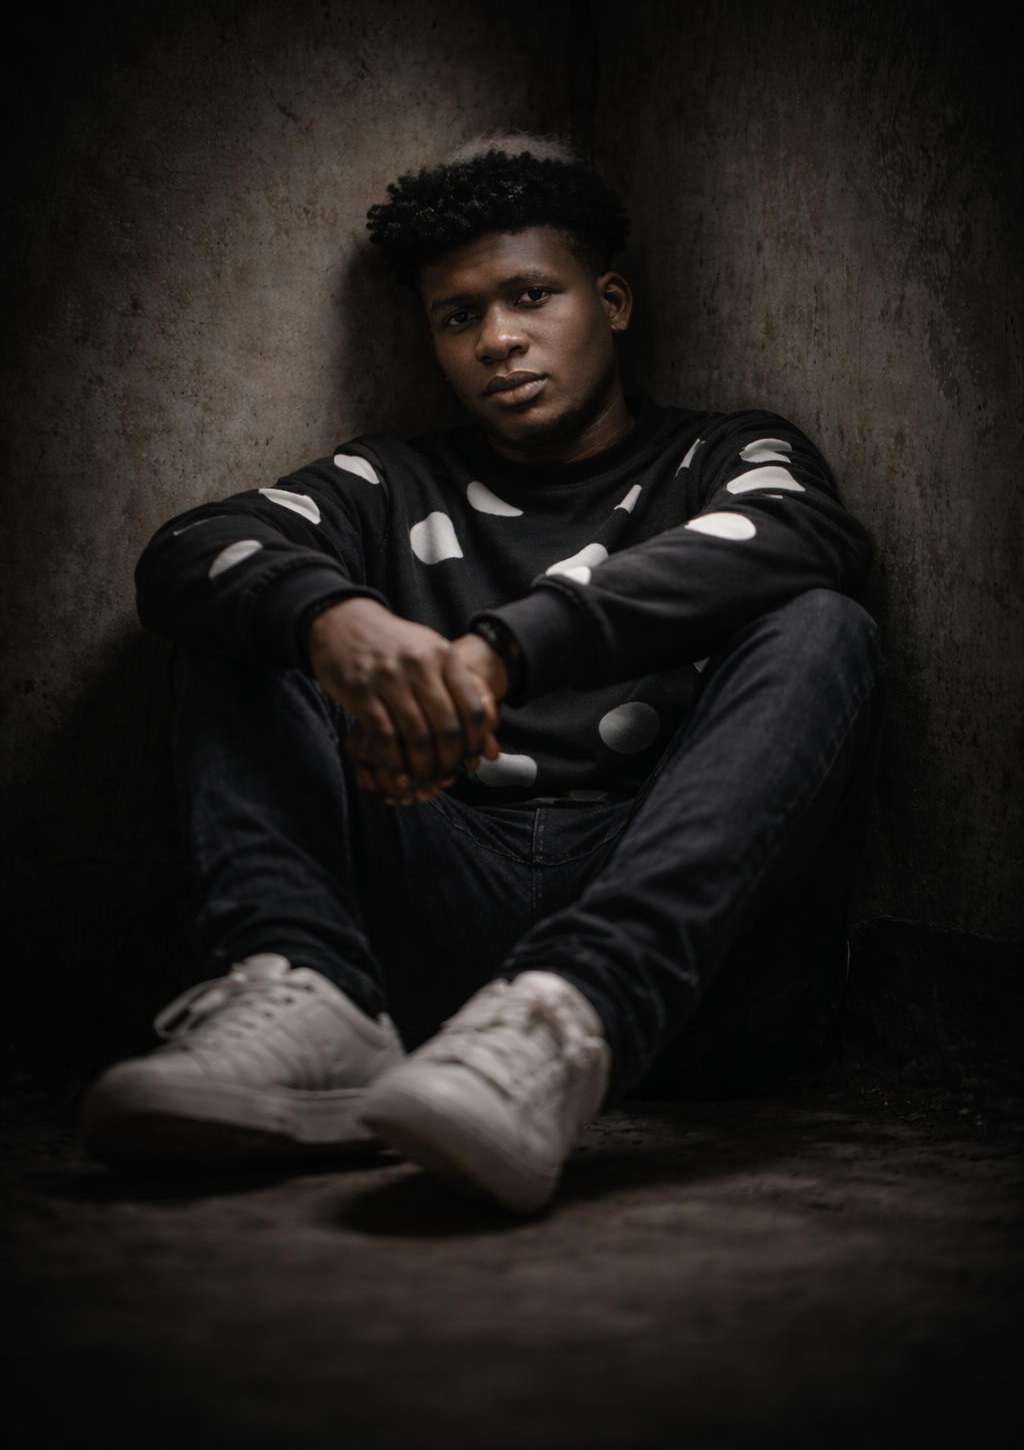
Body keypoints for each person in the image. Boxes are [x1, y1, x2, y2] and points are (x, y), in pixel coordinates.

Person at [82, 136, 886, 1213]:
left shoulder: (722, 457)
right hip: (428, 948)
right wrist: (334, 622)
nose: (497, 339)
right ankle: (309, 1002)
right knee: (247, 613)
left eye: (530, 296)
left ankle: (570, 1014)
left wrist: (505, 647)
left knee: (824, 622)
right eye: (457, 316)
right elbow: (189, 550)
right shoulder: (389, 480)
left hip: (687, 985)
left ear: (610, 302)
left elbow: (804, 533)